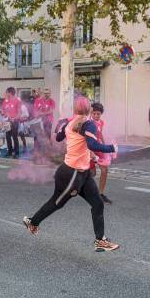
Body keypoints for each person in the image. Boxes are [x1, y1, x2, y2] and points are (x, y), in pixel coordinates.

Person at [22, 97, 120, 252]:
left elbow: (60, 137)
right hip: (71, 174)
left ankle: (100, 240)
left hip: (83, 172)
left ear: (75, 109)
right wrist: (112, 148)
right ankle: (32, 222)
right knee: (57, 203)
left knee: (97, 203)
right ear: (89, 110)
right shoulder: (88, 124)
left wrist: (87, 154)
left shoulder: (70, 122)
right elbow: (92, 144)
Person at [90, 103, 116, 204]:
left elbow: (100, 135)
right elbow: (85, 139)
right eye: (94, 113)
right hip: (90, 148)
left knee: (104, 170)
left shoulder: (101, 122)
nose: (96, 116)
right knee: (92, 173)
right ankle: (77, 185)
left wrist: (106, 148)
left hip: (99, 147)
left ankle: (100, 194)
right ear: (91, 113)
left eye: (98, 114)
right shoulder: (88, 123)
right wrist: (91, 152)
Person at [2, 87, 22, 158]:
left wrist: (14, 118)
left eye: (7, 92)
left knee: (14, 137)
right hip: (7, 121)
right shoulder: (5, 101)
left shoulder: (17, 101)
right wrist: (4, 114)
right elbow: (4, 111)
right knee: (7, 136)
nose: (6, 93)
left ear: (10, 93)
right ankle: (10, 151)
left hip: (15, 122)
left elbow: (19, 112)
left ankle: (16, 153)